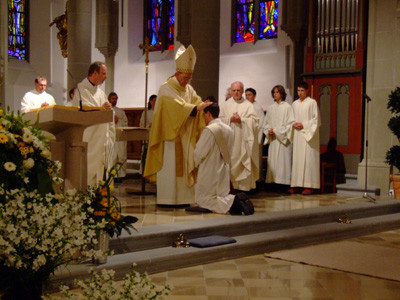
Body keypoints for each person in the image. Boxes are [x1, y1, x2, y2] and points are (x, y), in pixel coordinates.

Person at [143, 45, 212, 205]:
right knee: (170, 168)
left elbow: (196, 100)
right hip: (170, 138)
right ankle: (168, 200)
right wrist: (195, 108)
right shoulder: (165, 89)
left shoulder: (188, 88)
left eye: (189, 78)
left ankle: (184, 199)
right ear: (177, 73)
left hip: (185, 137)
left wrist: (202, 105)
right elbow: (175, 107)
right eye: (185, 77)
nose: (187, 81)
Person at [194, 103, 254, 215]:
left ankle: (234, 202)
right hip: (223, 169)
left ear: (208, 114)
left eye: (204, 115)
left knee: (205, 199)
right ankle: (233, 202)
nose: (204, 118)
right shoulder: (228, 129)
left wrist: (194, 162)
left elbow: (200, 152)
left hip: (209, 169)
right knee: (219, 195)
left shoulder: (209, 130)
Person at [73, 61, 115, 186]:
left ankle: (102, 196)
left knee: (103, 169)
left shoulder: (101, 93)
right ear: (95, 73)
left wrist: (108, 108)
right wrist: (102, 109)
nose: (105, 77)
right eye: (103, 73)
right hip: (90, 140)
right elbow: (85, 111)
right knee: (90, 170)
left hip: (103, 140)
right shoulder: (81, 90)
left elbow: (108, 113)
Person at [220, 81, 259, 192]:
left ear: (242, 91)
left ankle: (242, 189)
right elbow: (219, 120)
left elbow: (255, 122)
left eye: (238, 90)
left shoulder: (248, 105)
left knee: (243, 161)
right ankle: (230, 188)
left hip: (243, 140)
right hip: (230, 141)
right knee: (230, 162)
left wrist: (242, 120)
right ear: (231, 91)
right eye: (234, 90)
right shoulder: (224, 105)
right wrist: (230, 119)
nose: (236, 92)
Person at [289, 81, 321, 195]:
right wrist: (293, 124)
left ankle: (309, 185)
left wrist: (304, 124)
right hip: (298, 135)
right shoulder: (295, 104)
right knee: (298, 160)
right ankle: (297, 184)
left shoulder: (312, 103)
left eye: (302, 90)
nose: (300, 93)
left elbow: (316, 120)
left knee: (308, 160)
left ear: (307, 91)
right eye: (298, 90)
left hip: (308, 137)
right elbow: (290, 118)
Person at [263, 85, 295, 189]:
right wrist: (269, 130)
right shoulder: (271, 108)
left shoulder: (287, 107)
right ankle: (273, 183)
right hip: (274, 140)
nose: (275, 94)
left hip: (283, 140)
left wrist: (277, 131)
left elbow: (290, 125)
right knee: (273, 162)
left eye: (277, 92)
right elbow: (266, 123)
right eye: (274, 92)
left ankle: (283, 185)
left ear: (282, 93)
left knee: (283, 162)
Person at [245, 88, 265, 181]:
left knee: (255, 160)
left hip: (255, 137)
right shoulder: (245, 106)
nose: (247, 97)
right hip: (246, 138)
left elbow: (261, 124)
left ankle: (256, 180)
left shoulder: (257, 108)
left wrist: (257, 138)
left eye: (250, 95)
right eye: (246, 95)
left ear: (254, 96)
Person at [109, 92, 128, 180]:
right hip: (110, 136)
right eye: (113, 98)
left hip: (119, 136)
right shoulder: (106, 111)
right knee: (112, 156)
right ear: (109, 99)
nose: (114, 100)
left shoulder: (120, 112)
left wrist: (118, 120)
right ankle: (111, 175)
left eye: (116, 99)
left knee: (121, 155)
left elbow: (125, 123)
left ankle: (121, 175)